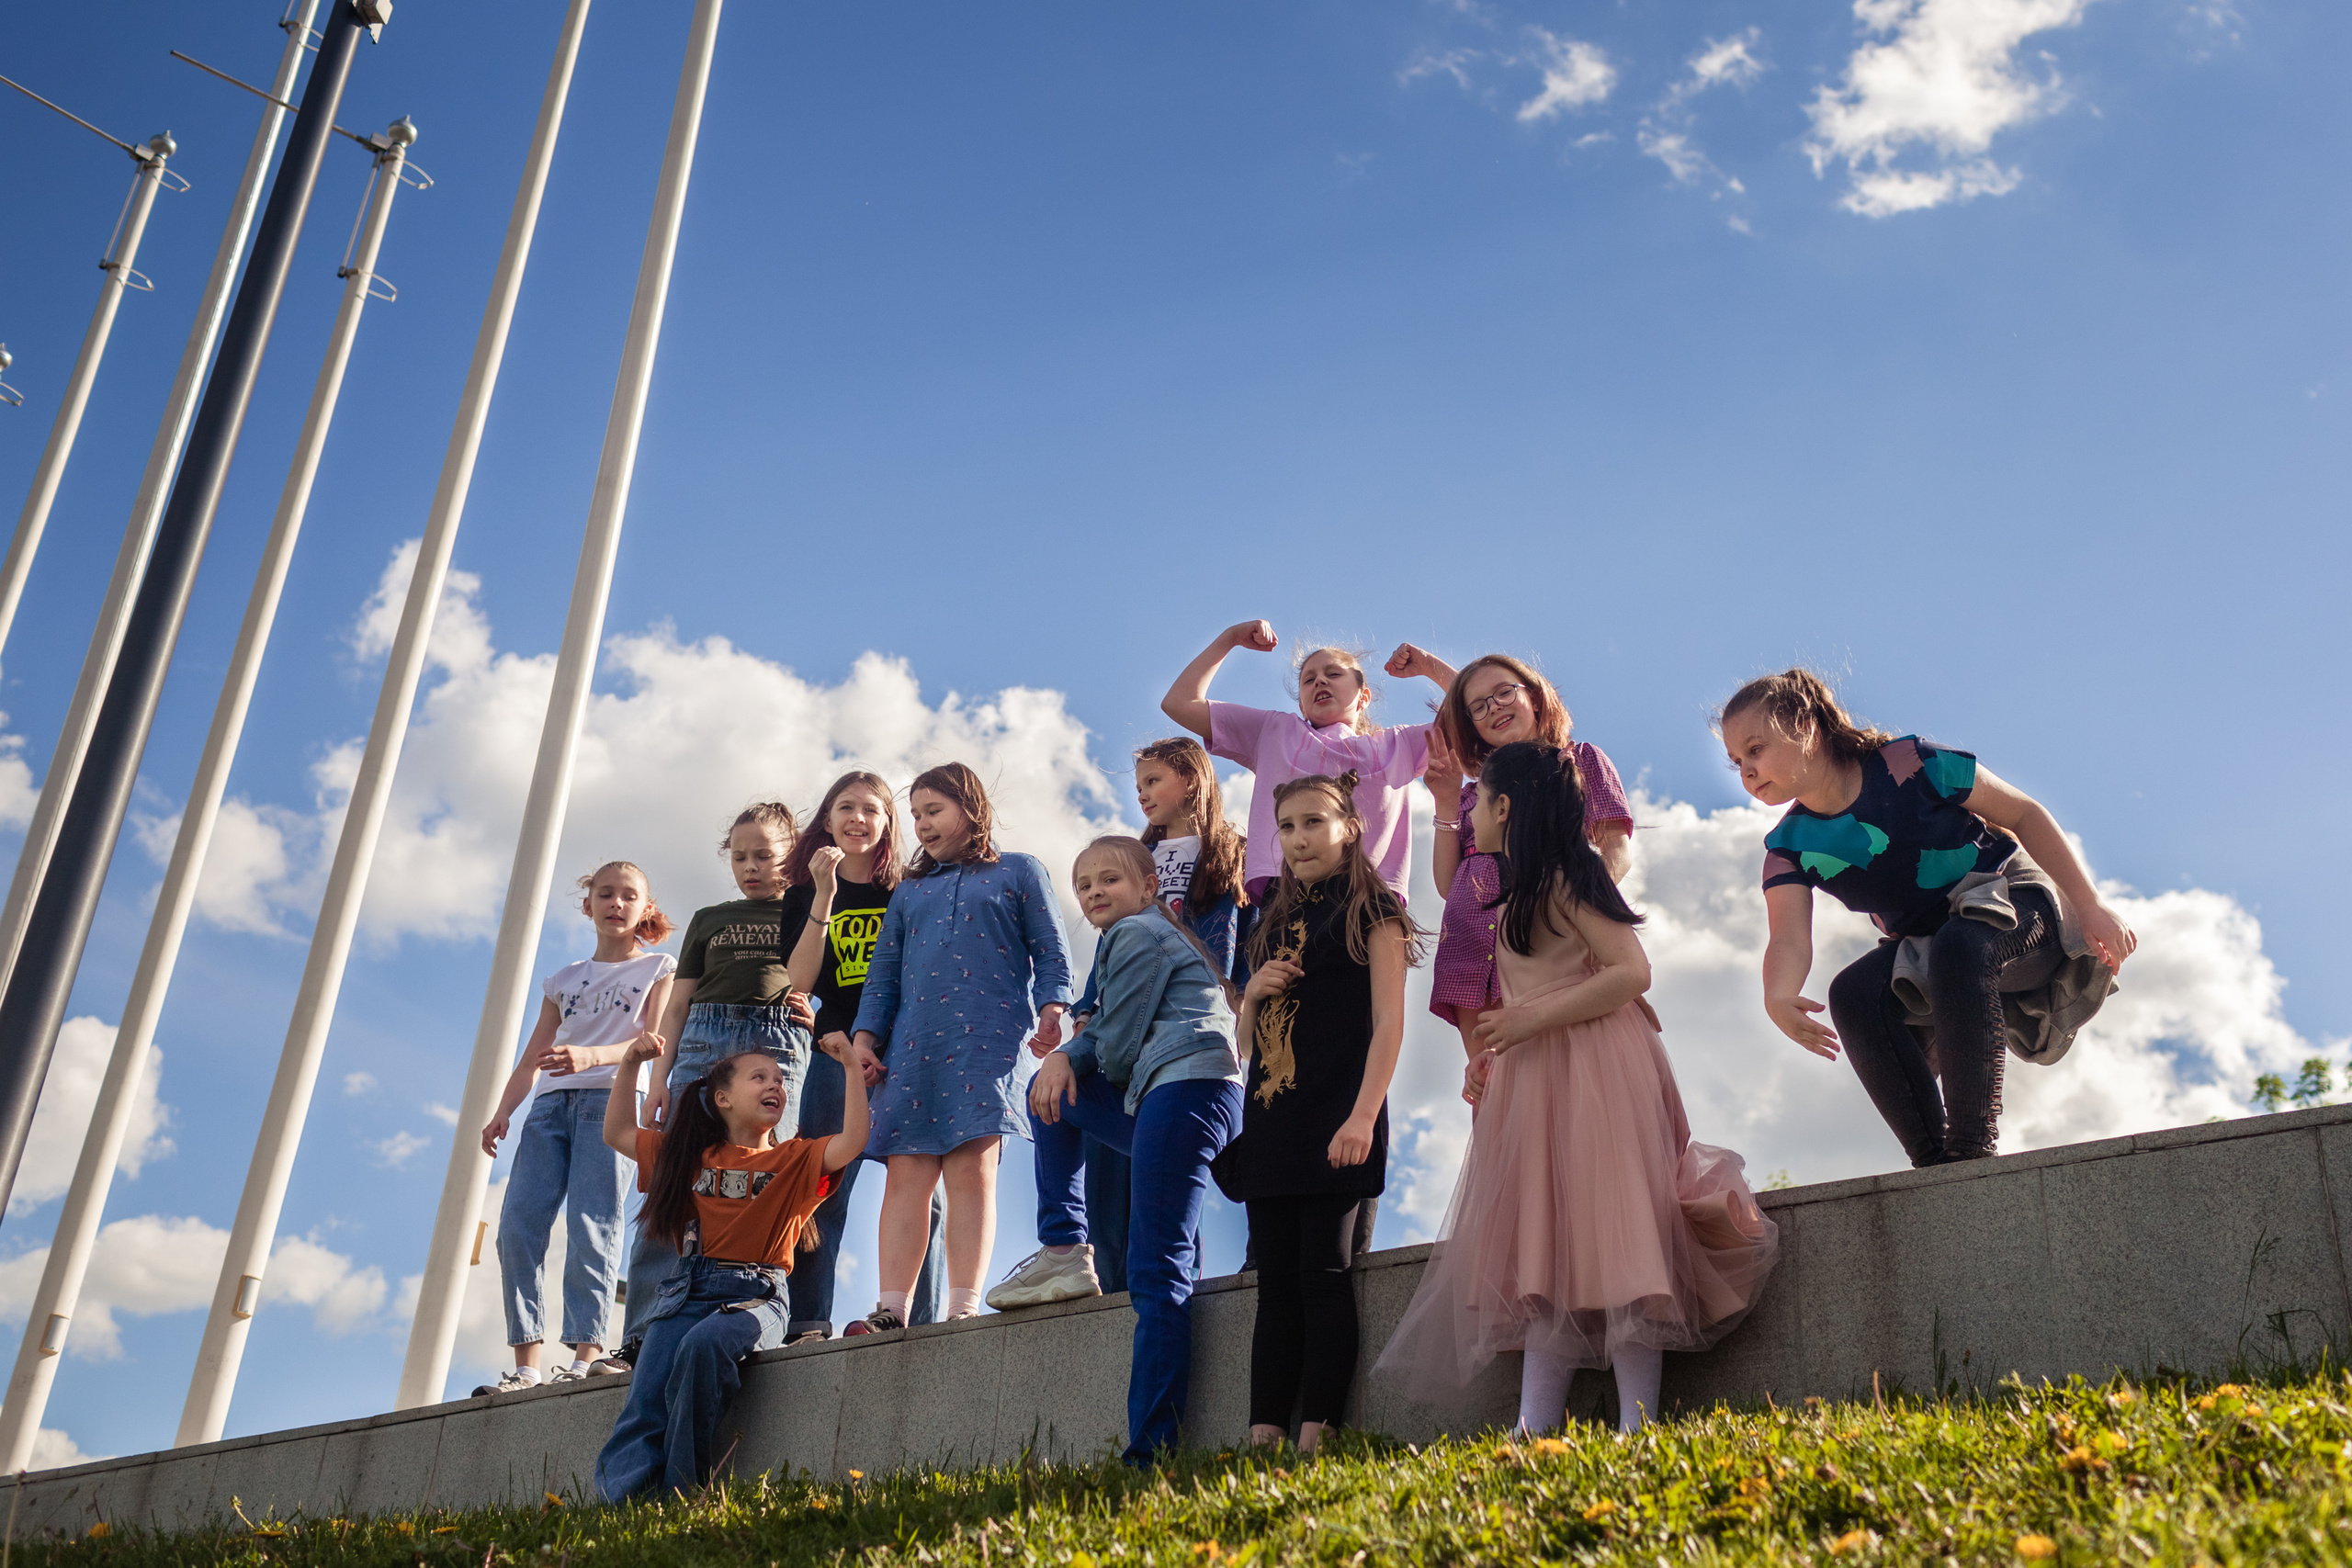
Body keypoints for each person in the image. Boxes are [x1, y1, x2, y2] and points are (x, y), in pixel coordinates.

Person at [1376, 743, 1779, 1436]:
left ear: (1505, 807)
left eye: (1480, 802)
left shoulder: (1569, 873)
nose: (1471, 814)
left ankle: (1637, 1420)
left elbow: (1631, 970)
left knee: (1619, 1232)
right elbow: (1527, 992)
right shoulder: (1510, 889)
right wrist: (1495, 1054)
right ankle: (1535, 1421)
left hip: (1599, 1063)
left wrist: (1528, 1018)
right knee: (1548, 1243)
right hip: (1536, 1073)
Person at [1720, 670, 2132, 1168]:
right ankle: (1935, 1163)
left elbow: (2025, 814)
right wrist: (1777, 995)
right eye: (1736, 761)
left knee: (1963, 944)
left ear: (1806, 725)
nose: (1746, 769)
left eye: (1756, 749)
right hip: (1930, 945)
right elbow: (1787, 938)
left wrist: (2090, 905)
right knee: (1853, 993)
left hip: (2016, 907)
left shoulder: (1912, 762)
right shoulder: (1787, 848)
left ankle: (1972, 1146)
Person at [1001, 837, 1245, 1461]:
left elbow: (1115, 1045)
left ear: (1147, 888)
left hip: (1187, 1084)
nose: (1094, 892)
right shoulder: (1126, 939)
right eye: (1083, 885)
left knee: (1153, 1266)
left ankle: (1152, 1451)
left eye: (1110, 878)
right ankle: (1064, 1245)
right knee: (1050, 1091)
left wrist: (1064, 1052)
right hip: (1171, 1090)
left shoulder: (1138, 933)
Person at [1209, 772, 1421, 1454]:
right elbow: (1244, 1050)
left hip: (1340, 1116)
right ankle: (1263, 1435)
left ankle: (1317, 1435)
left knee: (1323, 1276)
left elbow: (1389, 1025)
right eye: (1288, 827)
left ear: (1349, 828)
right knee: (1275, 1285)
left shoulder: (1375, 910)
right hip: (1273, 1122)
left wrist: (1363, 1116)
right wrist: (1250, 997)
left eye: (1313, 823)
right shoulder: (1269, 921)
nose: (1299, 839)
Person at [1010, 738, 1251, 1302]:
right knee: (1108, 1174)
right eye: (1138, 784)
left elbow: (1234, 943)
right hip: (1117, 1033)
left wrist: (1239, 1004)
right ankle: (1093, 1277)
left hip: (1187, 1043)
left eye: (1153, 781)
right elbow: (1113, 952)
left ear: (1191, 780)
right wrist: (1084, 1023)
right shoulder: (1128, 854)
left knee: (1167, 1189)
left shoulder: (1230, 853)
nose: (1142, 795)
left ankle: (1174, 1287)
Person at [846, 762, 1074, 1334]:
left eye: (934, 810)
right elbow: (885, 974)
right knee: (906, 1172)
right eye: (916, 814)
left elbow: (1050, 949)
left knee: (972, 1168)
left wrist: (1054, 1006)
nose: (921, 823)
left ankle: (963, 1306)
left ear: (971, 809)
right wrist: (866, 1038)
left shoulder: (1019, 871)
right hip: (912, 1045)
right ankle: (890, 1309)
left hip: (987, 1039)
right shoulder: (909, 891)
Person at [592, 1034, 866, 1500]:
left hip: (757, 1295)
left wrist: (851, 1070)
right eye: (759, 1076)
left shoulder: (796, 1158)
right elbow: (616, 1133)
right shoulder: (685, 1157)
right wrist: (630, 1064)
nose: (774, 1084)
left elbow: (854, 1140)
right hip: (685, 1291)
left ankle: (681, 1496)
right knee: (647, 1395)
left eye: (779, 1079)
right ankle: (620, 1504)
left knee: (703, 1346)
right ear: (723, 1099)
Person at [606, 803, 816, 1369]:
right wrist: (658, 1081)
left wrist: (819, 1021)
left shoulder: (808, 908)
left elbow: (819, 980)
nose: (750, 867)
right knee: (675, 1181)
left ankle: (758, 1316)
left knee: (771, 1181)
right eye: (739, 856)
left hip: (775, 1047)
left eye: (764, 855)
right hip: (702, 1042)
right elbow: (676, 1006)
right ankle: (644, 1334)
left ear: (790, 854)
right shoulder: (710, 918)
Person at [476, 862, 675, 1394]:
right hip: (548, 1108)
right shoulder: (563, 979)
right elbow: (532, 1059)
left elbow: (651, 1043)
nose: (616, 903)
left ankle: (587, 1353)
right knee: (518, 1225)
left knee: (594, 1223)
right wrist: (503, 1111)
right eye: (604, 894)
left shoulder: (657, 966)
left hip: (610, 1102)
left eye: (628, 895)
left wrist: (590, 1056)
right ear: (587, 905)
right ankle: (525, 1362)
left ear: (644, 908)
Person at [776, 771, 944, 1340]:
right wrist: (823, 896)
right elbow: (800, 981)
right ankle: (808, 1321)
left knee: (923, 1186)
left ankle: (920, 1318)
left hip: (906, 1049)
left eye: (871, 810)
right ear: (827, 820)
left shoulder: (909, 887)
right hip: (835, 1049)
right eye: (846, 807)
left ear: (887, 824)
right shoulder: (802, 895)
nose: (858, 819)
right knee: (822, 1183)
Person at [1413, 651, 1634, 1060]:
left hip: (1553, 940)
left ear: (1534, 696)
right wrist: (1445, 803)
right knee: (1493, 1085)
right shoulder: (1470, 796)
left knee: (1569, 1070)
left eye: (1503, 693)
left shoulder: (1579, 760)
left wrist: (1567, 908)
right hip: (1471, 947)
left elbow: (1616, 849)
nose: (1494, 707)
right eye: (1479, 707)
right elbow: (1448, 885)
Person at [1161, 621, 1451, 904]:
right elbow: (1179, 703)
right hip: (1287, 892)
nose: (1320, 681)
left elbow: (1475, 713)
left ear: (1363, 697)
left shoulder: (1399, 745)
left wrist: (1428, 665)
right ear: (1301, 704)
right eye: (1309, 680)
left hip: (1370, 899)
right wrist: (1229, 638)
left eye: (1334, 673)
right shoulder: (1274, 731)